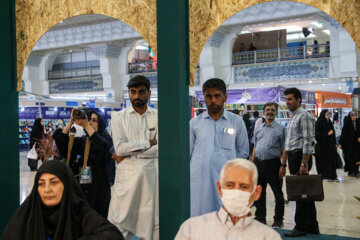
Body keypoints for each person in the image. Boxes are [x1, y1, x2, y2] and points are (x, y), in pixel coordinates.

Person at [1, 160, 123, 240]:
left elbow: (113, 236)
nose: (47, 189)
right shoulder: (27, 215)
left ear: (66, 185)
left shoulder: (77, 210)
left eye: (54, 182)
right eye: (41, 184)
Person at [175, 158, 281, 240]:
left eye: (244, 187)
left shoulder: (269, 237)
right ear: (220, 188)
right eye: (230, 185)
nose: (236, 192)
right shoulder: (192, 229)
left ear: (256, 193)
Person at [108, 75, 159, 240]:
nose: (136, 96)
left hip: (151, 176)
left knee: (150, 225)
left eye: (141, 92)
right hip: (126, 177)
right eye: (133, 92)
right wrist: (149, 143)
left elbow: (161, 149)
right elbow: (120, 148)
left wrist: (129, 153)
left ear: (149, 93)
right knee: (120, 223)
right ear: (129, 93)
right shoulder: (118, 117)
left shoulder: (158, 116)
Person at [190, 78, 249, 217]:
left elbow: (243, 151)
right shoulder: (194, 123)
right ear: (203, 98)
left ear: (225, 97)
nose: (213, 100)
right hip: (199, 181)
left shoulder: (236, 122)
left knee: (226, 218)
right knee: (200, 219)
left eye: (217, 96)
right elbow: (189, 153)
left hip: (227, 182)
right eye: (208, 96)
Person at [53, 110, 115, 218]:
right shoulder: (81, 141)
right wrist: (70, 123)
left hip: (98, 193)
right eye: (89, 120)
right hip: (81, 191)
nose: (90, 123)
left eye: (94, 121)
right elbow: (63, 145)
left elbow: (101, 147)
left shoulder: (106, 140)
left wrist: (86, 125)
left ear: (100, 123)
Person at [283, 88, 319, 237]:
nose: (287, 102)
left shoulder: (303, 115)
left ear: (299, 100)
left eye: (290, 99)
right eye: (286, 99)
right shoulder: (293, 116)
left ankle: (300, 227)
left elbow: (308, 140)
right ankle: (311, 226)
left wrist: (304, 163)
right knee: (305, 194)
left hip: (300, 157)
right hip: (294, 156)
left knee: (300, 193)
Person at [251, 102, 287, 227]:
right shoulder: (258, 128)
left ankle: (278, 220)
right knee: (259, 193)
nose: (270, 112)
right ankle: (260, 218)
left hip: (274, 164)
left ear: (276, 112)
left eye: (272, 110)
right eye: (267, 110)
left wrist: (283, 166)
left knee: (278, 193)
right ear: (264, 112)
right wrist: (252, 163)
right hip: (258, 163)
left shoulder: (281, 129)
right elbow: (255, 146)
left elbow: (285, 148)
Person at [315, 109, 338, 181]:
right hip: (322, 147)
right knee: (323, 162)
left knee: (331, 162)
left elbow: (333, 134)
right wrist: (327, 134)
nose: (328, 116)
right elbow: (317, 135)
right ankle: (324, 176)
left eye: (329, 115)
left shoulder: (330, 123)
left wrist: (335, 143)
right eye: (327, 115)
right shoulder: (319, 123)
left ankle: (332, 176)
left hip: (330, 146)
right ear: (323, 115)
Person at [339, 112, 360, 177]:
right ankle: (352, 170)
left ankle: (356, 170)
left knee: (357, 157)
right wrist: (341, 143)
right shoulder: (347, 124)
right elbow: (343, 135)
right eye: (353, 116)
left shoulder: (358, 123)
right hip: (349, 144)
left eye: (355, 116)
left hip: (357, 144)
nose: (354, 117)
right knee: (350, 158)